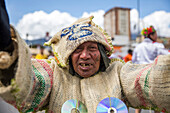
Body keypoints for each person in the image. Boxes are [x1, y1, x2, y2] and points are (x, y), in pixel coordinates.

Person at [0, 1, 170, 113]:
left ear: (102, 53)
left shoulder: (117, 72)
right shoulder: (54, 73)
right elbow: (32, 83)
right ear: (67, 55)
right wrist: (7, 51)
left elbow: (146, 81)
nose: (85, 55)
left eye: (92, 48)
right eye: (77, 49)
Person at [132, 26, 170, 113]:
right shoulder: (157, 46)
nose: (157, 36)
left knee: (139, 100)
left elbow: (133, 61)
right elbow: (167, 56)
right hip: (153, 76)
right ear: (151, 35)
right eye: (155, 34)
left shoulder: (138, 47)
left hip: (139, 76)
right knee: (156, 102)